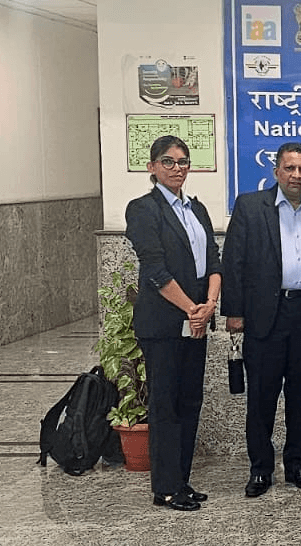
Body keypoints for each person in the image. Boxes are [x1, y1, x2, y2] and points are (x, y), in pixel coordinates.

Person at [221, 141, 301, 498]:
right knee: (261, 399)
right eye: (289, 168)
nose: (296, 175)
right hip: (266, 317)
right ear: (276, 171)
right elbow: (233, 260)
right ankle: (260, 469)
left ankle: (297, 465)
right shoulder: (250, 206)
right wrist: (234, 312)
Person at [124, 135, 221, 511]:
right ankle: (164, 488)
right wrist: (192, 309)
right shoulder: (143, 209)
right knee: (165, 406)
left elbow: (213, 259)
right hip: (164, 324)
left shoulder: (196, 209)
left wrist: (209, 305)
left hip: (196, 320)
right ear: (152, 167)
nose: (177, 168)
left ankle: (181, 480)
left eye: (183, 162)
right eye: (168, 161)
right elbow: (155, 270)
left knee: (189, 401)